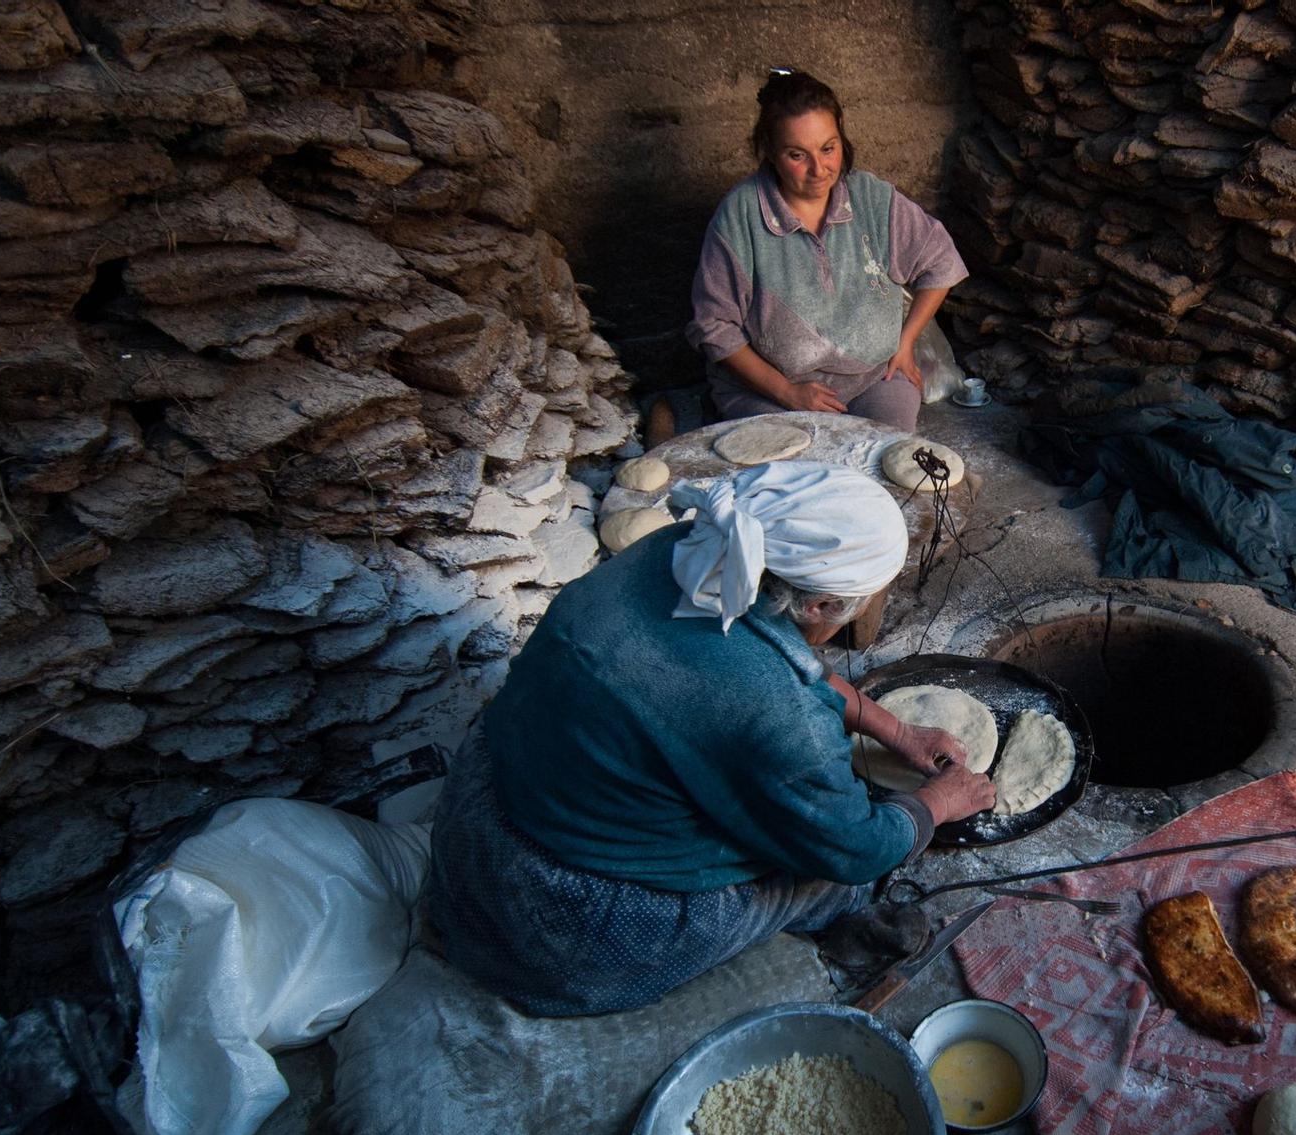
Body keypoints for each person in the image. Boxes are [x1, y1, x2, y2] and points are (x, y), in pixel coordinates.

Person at [422, 462, 996, 1016]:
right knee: (829, 878)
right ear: (820, 605)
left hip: (479, 811)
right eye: (868, 597)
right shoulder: (777, 714)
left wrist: (893, 728)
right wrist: (936, 803)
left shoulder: (685, 551)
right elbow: (855, 847)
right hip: (552, 922)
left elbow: (777, 660)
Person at [686, 68, 968, 431]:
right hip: (768, 391)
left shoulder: (870, 198)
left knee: (890, 456)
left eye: (828, 148)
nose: (818, 169)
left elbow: (941, 261)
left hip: (871, 378)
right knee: (802, 474)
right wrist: (787, 392)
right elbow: (713, 326)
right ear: (770, 152)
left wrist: (905, 342)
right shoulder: (740, 215)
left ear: (841, 138)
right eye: (796, 155)